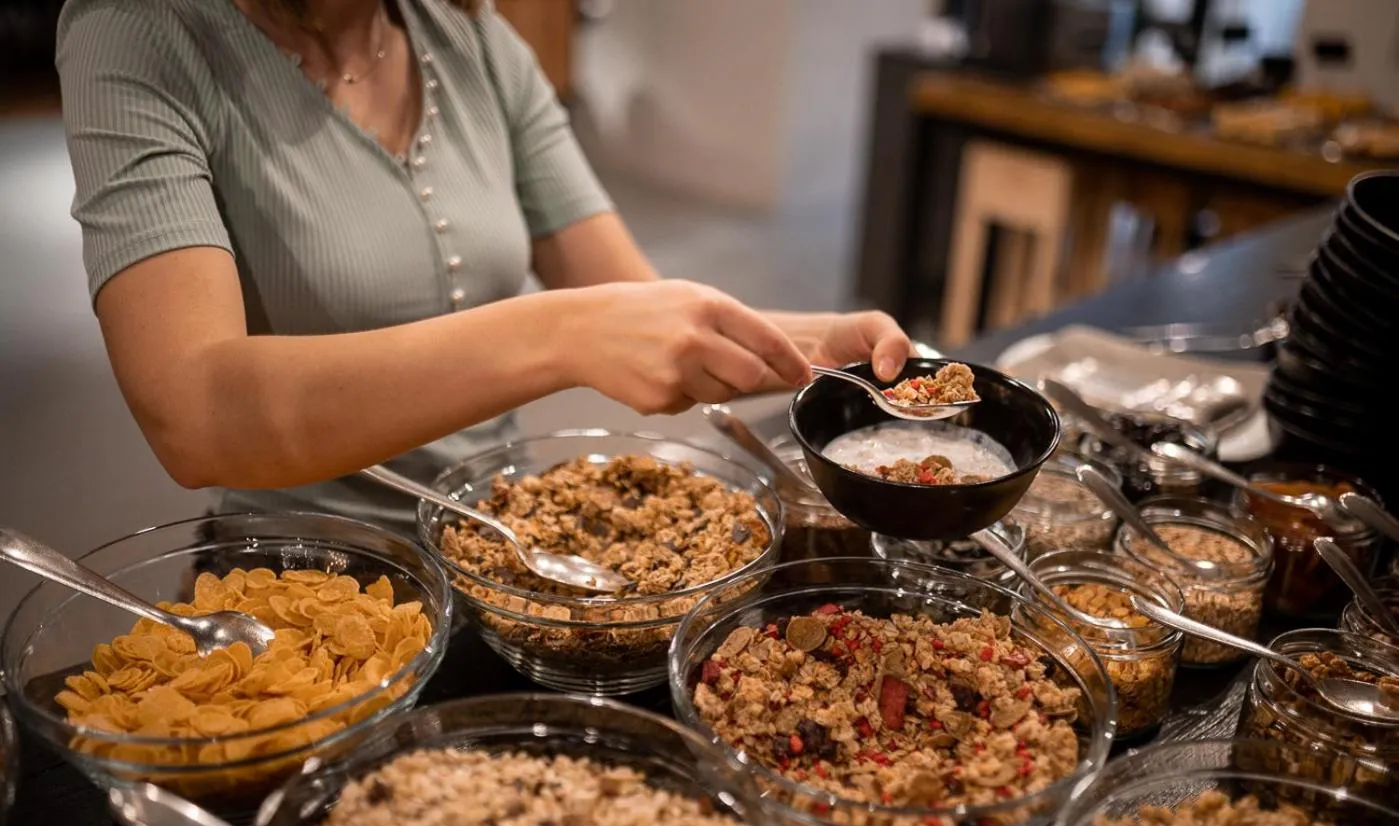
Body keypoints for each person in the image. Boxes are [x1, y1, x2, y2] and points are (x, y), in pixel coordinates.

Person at [58, 0, 911, 527]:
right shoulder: (135, 32)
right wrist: (559, 334)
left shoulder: (470, 36)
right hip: (303, 577)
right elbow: (194, 416)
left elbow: (634, 299)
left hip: (498, 540)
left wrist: (816, 349)